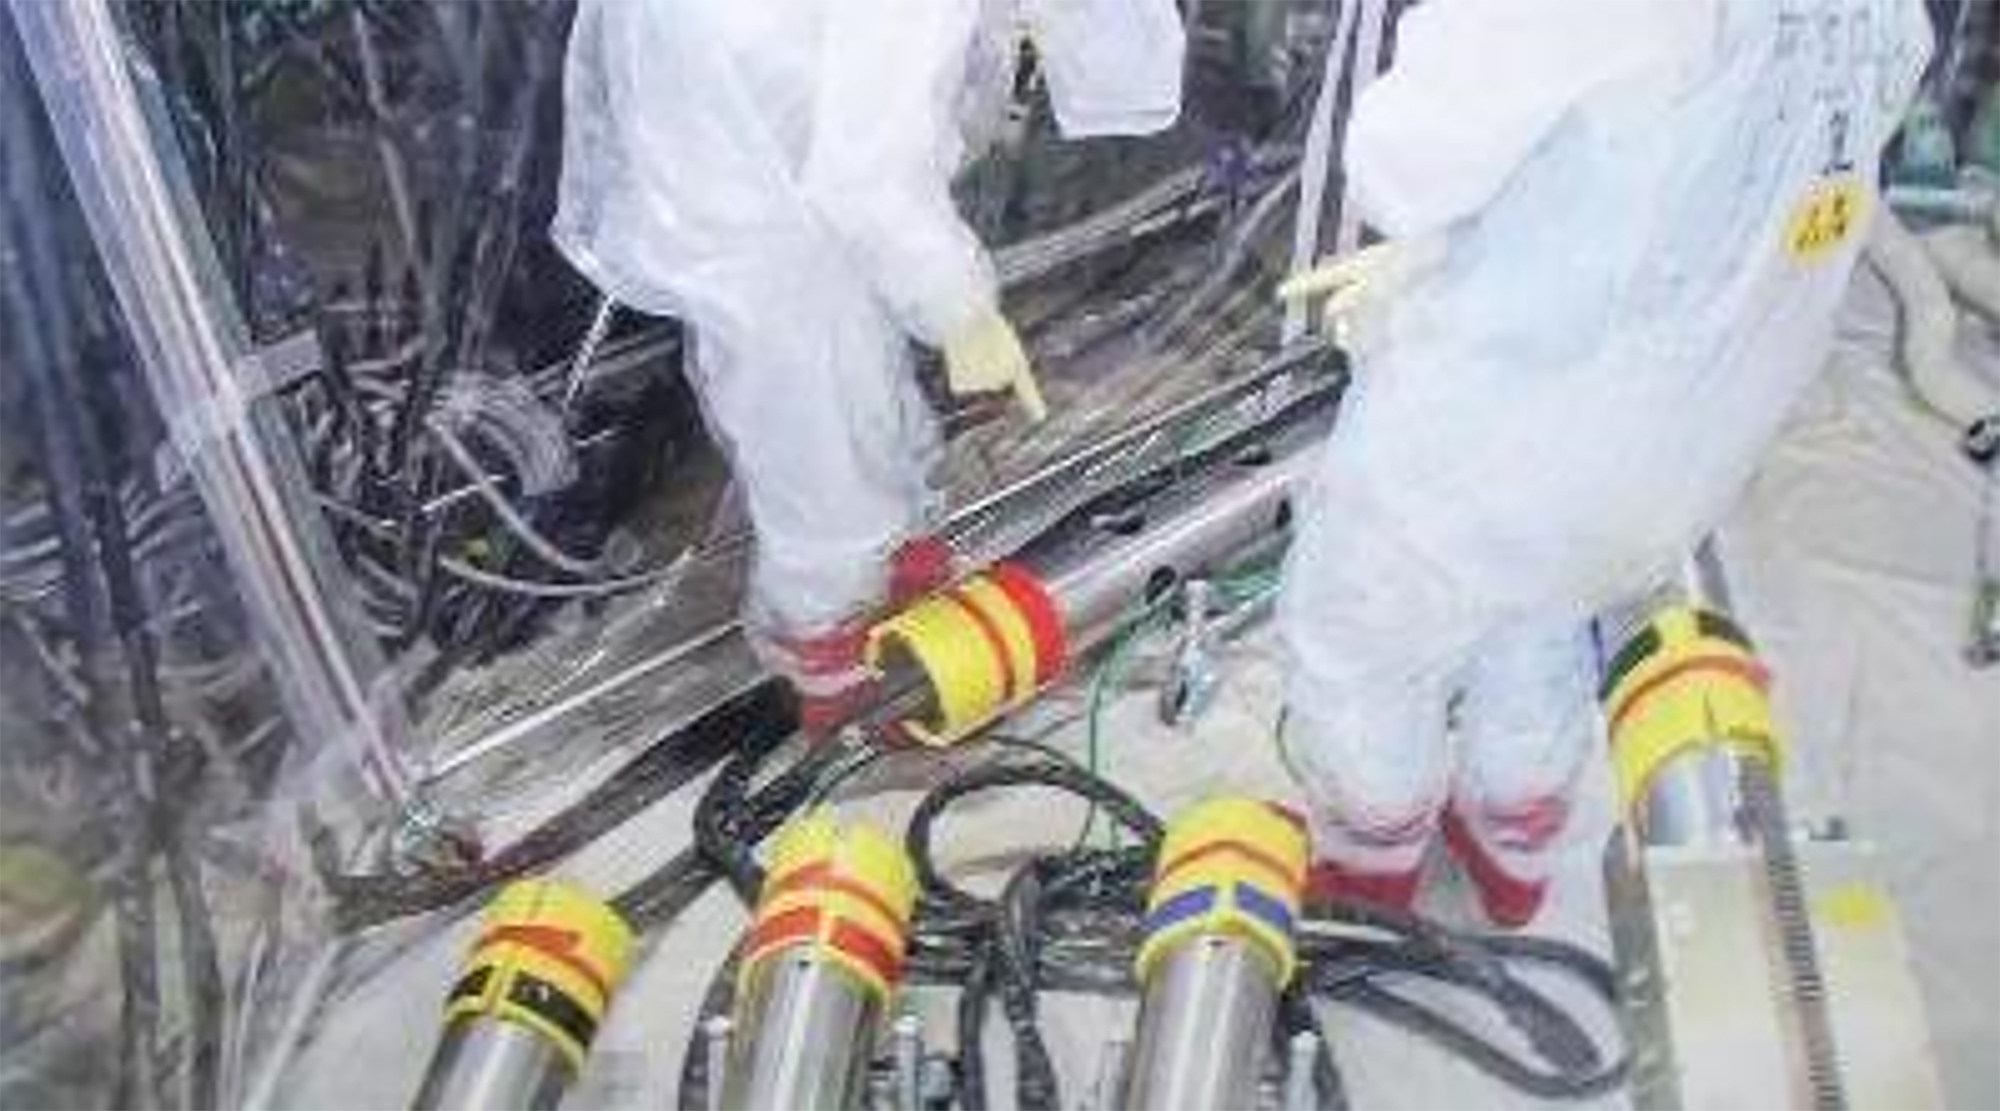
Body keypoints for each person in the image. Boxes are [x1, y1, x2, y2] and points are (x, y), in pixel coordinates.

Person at [1277, 0, 1932, 926]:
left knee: (1365, 626)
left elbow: (1403, 165)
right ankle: (1515, 834)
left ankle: (1372, 854)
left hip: (1515, 412)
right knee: (1546, 614)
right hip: (1701, 430)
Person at [552, 0, 1186, 731]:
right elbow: (867, 183)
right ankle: (844, 679)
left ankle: (892, 586)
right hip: (754, 181)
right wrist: (964, 311)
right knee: (818, 452)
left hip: (755, 130)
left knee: (852, 376)